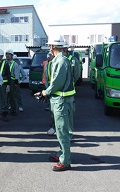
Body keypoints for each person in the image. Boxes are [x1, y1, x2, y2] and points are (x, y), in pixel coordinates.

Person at [41, 35, 75, 172]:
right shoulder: (60, 60)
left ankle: (65, 162)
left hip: (61, 101)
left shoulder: (61, 61)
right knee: (62, 131)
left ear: (51, 47)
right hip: (61, 100)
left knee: (62, 132)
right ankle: (62, 156)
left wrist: (45, 92)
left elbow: (57, 83)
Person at [0, 49, 11, 122]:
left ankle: (4, 114)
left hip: (4, 85)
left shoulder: (6, 64)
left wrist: (8, 85)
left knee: (4, 100)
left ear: (2, 57)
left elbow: (9, 75)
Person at [42, 52, 55, 135]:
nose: (49, 57)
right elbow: (46, 76)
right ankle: (53, 124)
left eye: (50, 55)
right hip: (50, 88)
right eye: (48, 56)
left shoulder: (57, 64)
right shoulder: (47, 64)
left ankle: (56, 126)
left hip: (57, 89)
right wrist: (47, 89)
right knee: (52, 109)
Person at [5, 49, 20, 116]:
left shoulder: (14, 64)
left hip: (12, 81)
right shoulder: (4, 63)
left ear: (12, 56)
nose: (7, 55)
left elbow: (17, 74)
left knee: (12, 96)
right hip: (6, 81)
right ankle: (6, 109)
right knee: (5, 97)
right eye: (7, 54)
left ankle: (13, 110)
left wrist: (16, 82)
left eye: (9, 54)